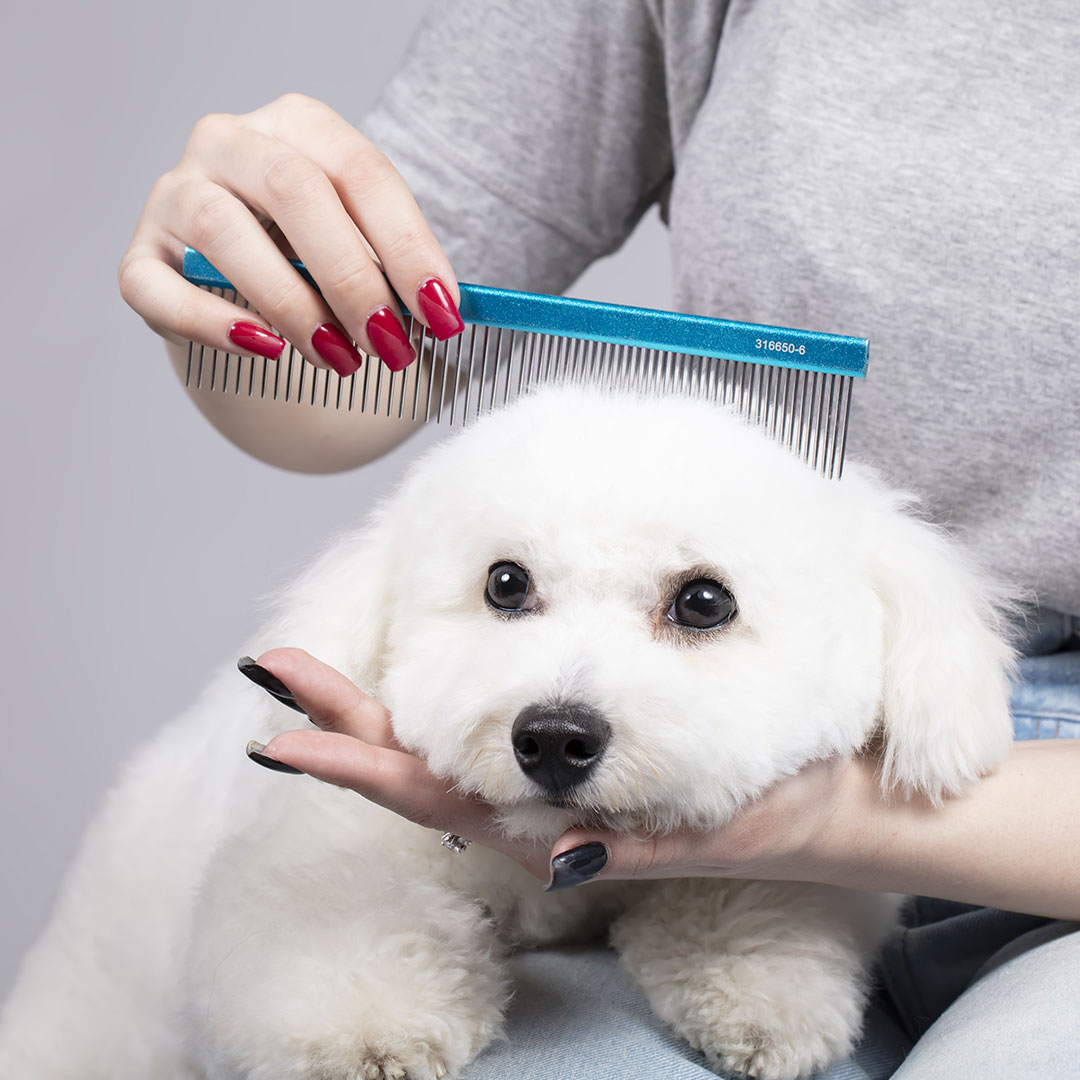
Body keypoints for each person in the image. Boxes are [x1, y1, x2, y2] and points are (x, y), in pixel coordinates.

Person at [119, 2, 1080, 1075]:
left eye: (696, 607)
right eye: (509, 588)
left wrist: (828, 820)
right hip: (712, 793)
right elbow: (339, 371)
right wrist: (242, 267)